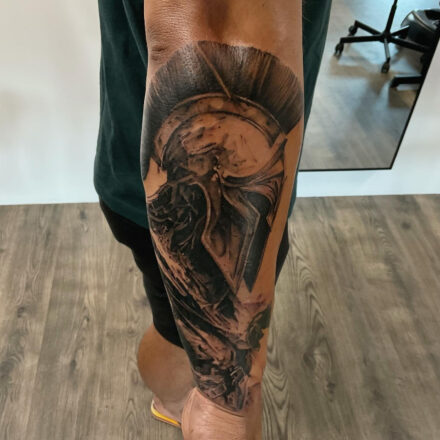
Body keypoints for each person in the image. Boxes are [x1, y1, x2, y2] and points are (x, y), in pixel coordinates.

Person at [94, 0, 331, 438]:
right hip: (180, 205)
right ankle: (180, 401)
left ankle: (173, 403)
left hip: (138, 166)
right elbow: (219, 32)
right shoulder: (209, 203)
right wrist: (229, 407)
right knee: (191, 344)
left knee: (179, 333)